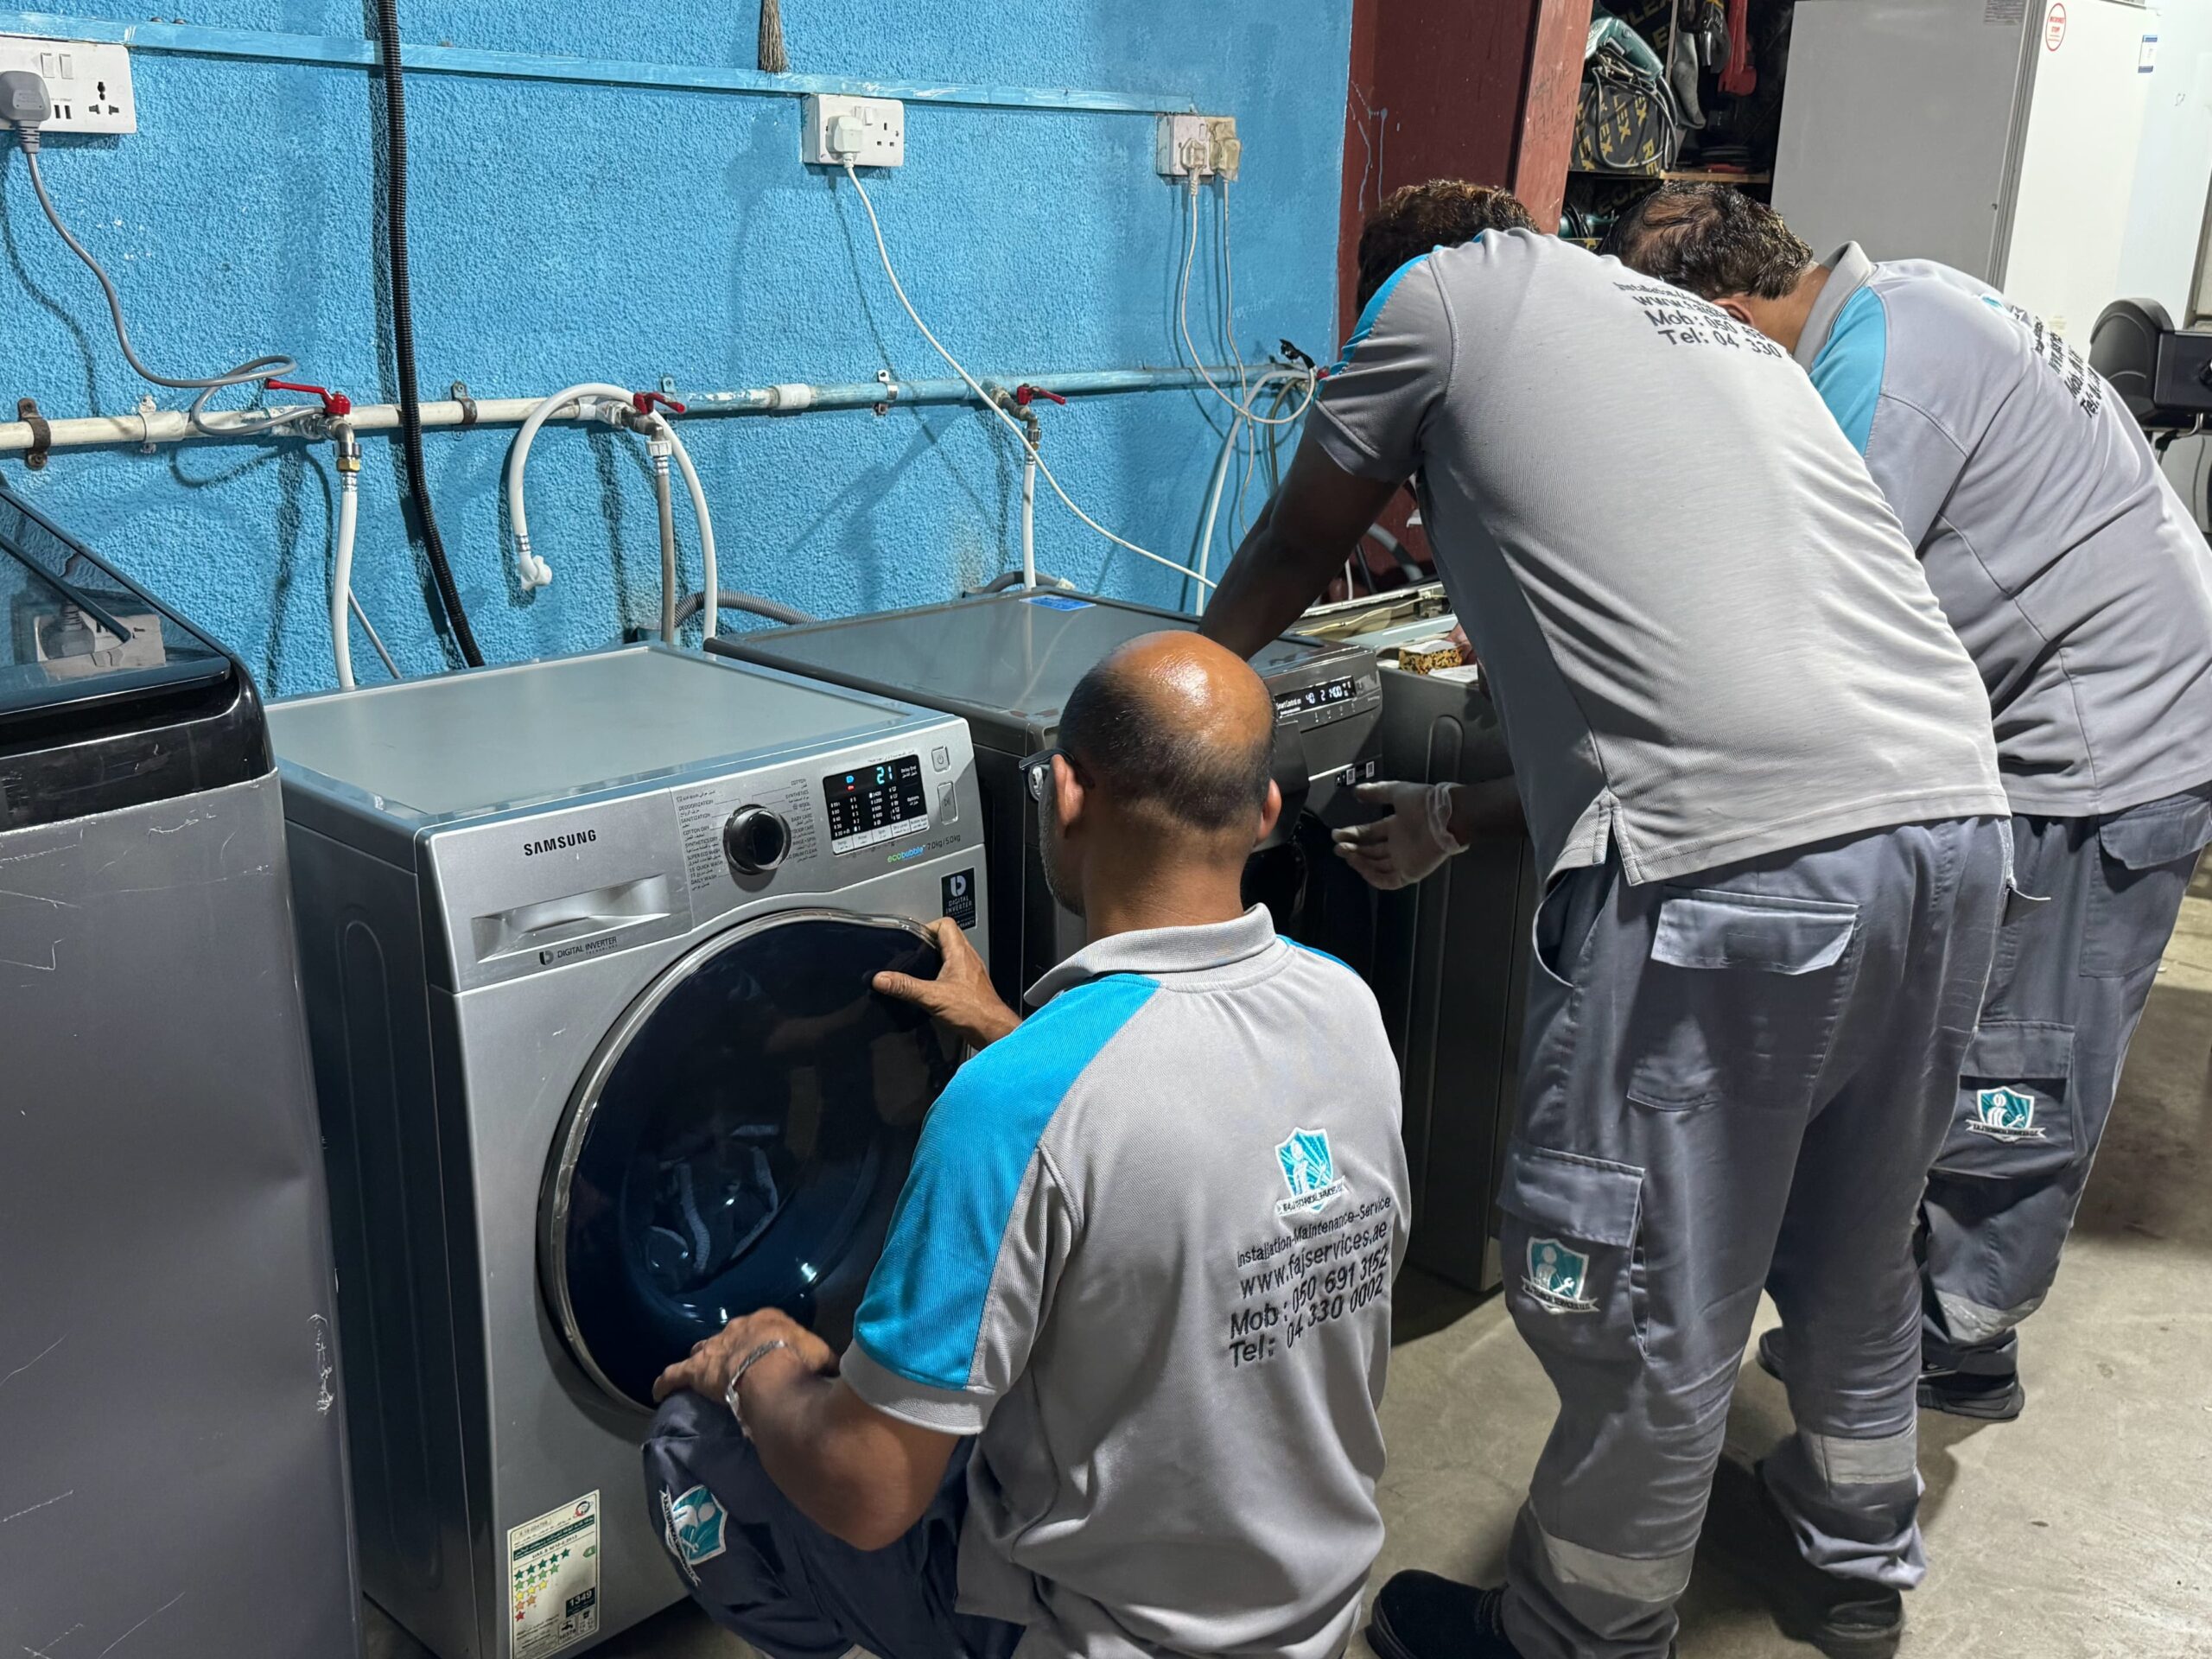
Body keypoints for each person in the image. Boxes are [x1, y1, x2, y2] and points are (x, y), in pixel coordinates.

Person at [1200, 179, 2014, 1659]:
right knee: (1857, 1228)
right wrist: (1449, 818)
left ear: (1393, 279)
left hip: (1742, 886)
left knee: (1650, 1278)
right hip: (1951, 829)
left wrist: (1157, 702)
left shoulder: (1436, 295)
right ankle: (1850, 1551)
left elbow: (1296, 548)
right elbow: (1687, 691)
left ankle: (1579, 1626)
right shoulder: (1724, 346)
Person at [642, 632, 1411, 1659]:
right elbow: (1186, 1145)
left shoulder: (1014, 1107)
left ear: (1065, 793)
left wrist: (757, 1361)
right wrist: (1013, 1035)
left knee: (692, 1442)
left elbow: (871, 1491)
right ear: (1266, 811)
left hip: (1097, 1636)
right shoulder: (1342, 1006)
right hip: (1308, 1611)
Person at [1605, 183, 2212, 1422]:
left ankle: (1955, 1345)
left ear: (1730, 321)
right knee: (1978, 1039)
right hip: (2096, 705)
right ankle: (1915, 1323)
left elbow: (1812, 625)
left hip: (2108, 746)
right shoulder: (1907, 303)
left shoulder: (1875, 393)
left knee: (2020, 1062)